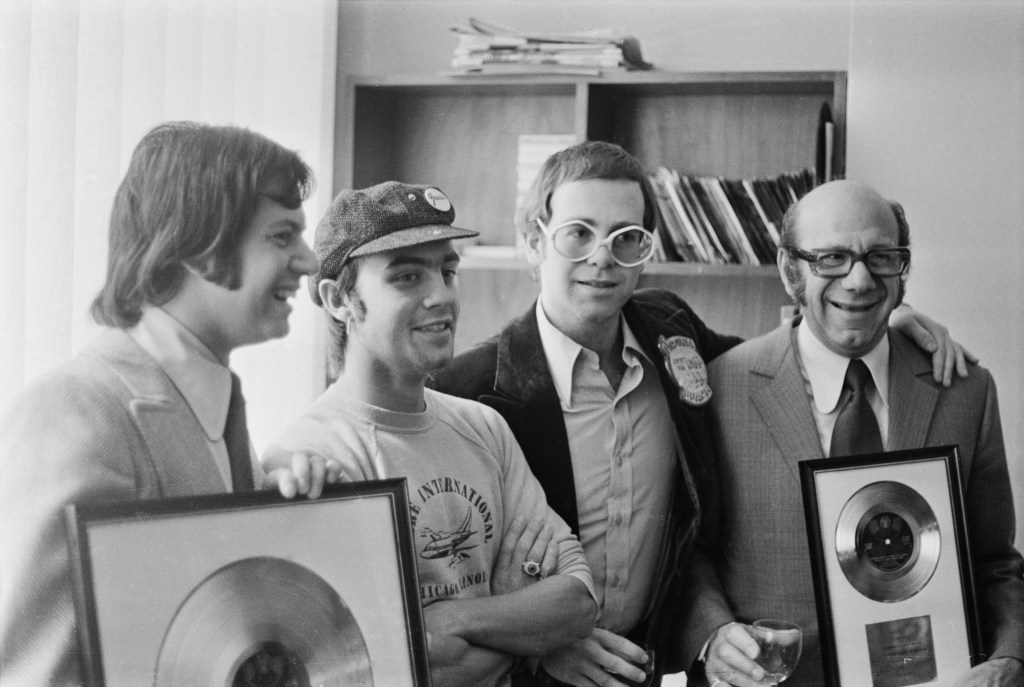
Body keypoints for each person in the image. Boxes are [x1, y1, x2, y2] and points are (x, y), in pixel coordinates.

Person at [428, 141, 973, 686]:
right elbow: (443, 585)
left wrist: (880, 319)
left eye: (626, 238)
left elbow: (779, 361)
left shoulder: (672, 329)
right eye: (578, 233)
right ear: (533, 243)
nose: (602, 257)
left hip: (645, 667)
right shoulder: (466, 394)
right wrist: (539, 645)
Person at [0, 121, 318, 686]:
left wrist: (291, 512)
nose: (310, 261)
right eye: (281, 236)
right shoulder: (74, 410)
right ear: (199, 245)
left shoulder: (221, 406)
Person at [683, 179, 1024, 687]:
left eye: (881, 256)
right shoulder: (722, 388)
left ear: (902, 267)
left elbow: (995, 563)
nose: (860, 280)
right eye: (831, 258)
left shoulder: (965, 391)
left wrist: (1010, 659)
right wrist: (713, 635)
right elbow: (690, 553)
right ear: (788, 269)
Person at [261, 181, 600, 687]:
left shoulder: (483, 426)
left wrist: (454, 619)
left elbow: (576, 602)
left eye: (447, 271)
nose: (440, 296)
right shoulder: (315, 457)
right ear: (338, 300)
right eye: (406, 277)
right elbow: (385, 669)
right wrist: (518, 622)